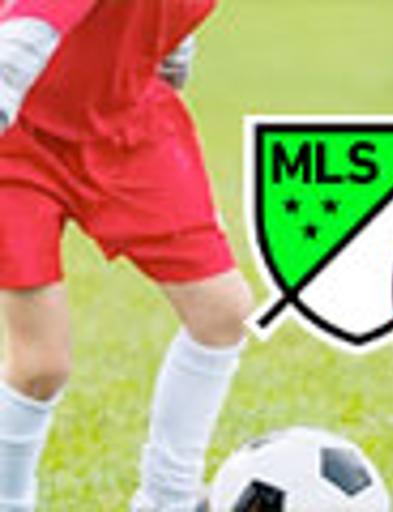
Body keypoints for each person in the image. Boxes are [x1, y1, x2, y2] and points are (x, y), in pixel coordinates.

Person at [0, 1, 253, 511]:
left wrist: (169, 52)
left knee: (222, 311)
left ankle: (167, 499)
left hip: (128, 122)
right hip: (19, 136)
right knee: (41, 363)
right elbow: (20, 42)